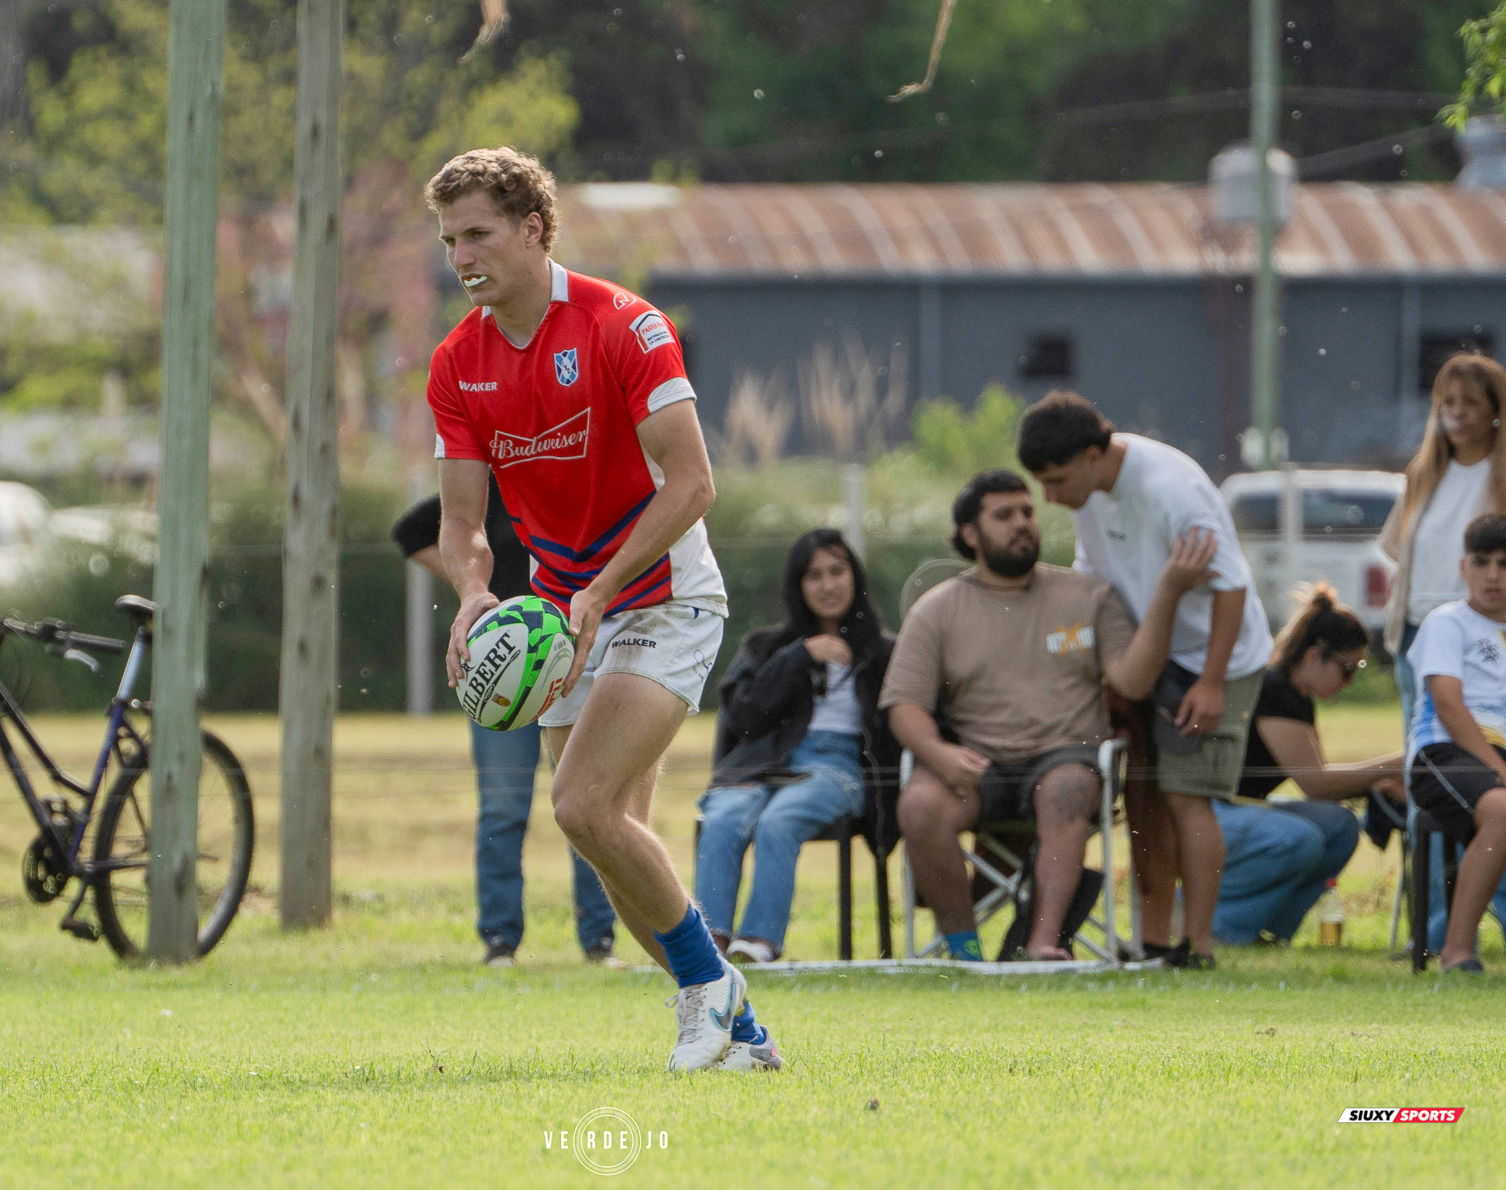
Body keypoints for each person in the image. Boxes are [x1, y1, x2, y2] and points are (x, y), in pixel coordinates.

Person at [424, 147, 772, 1072]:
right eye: (450, 238)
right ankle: (743, 1037)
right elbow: (463, 521)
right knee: (615, 848)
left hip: (660, 593)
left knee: (580, 806)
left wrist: (599, 591)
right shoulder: (458, 362)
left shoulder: (625, 325)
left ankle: (708, 994)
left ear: (533, 229)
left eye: (479, 234)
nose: (461, 255)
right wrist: (470, 593)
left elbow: (694, 486)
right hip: (562, 610)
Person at [881, 470, 1212, 961]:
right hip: (978, 765)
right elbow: (903, 705)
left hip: (1066, 757)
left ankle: (1044, 943)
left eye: (1028, 512)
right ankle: (965, 951)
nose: (1022, 523)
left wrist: (1168, 592)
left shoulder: (1087, 596)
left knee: (1066, 787)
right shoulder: (937, 609)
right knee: (919, 806)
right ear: (970, 534)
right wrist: (938, 754)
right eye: (1004, 515)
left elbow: (1133, 682)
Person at [1018, 393, 1273, 969]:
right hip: (1148, 656)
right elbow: (1093, 577)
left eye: (1056, 481)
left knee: (1189, 799)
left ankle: (1199, 948)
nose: (1049, 498)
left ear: (1092, 454)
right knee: (1147, 801)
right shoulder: (1091, 493)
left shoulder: (1170, 489)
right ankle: (1154, 945)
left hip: (1216, 660)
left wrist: (1209, 683)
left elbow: (1232, 586)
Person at [391, 479, 619, 968]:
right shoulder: (489, 487)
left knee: (585, 805)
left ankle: (600, 941)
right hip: (503, 675)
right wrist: (476, 595)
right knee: (502, 809)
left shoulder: (578, 477)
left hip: (569, 663)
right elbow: (409, 533)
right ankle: (500, 942)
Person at [695, 528, 898, 964]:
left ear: (854, 576)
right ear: (797, 585)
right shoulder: (766, 646)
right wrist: (800, 655)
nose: (827, 585)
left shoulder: (883, 652)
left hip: (840, 765)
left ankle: (759, 943)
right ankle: (709, 945)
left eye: (837, 571)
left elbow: (897, 727)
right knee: (724, 816)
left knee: (780, 820)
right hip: (763, 763)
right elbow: (743, 716)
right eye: (814, 575)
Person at [1378, 352, 1506, 946]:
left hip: (1489, 640)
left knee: (1490, 788)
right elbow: (1396, 549)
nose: (1456, 416)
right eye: (1446, 404)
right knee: (1433, 782)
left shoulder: (1502, 477)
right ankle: (1431, 930)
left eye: (1470, 404)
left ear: (1495, 412)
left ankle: (1486, 917)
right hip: (1423, 636)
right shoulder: (1421, 473)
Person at [1215, 586, 1404, 944]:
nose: (1349, 682)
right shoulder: (1275, 690)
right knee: (1298, 838)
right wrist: (1399, 764)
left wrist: (1377, 782)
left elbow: (1324, 782)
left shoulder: (1297, 696)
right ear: (1316, 656)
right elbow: (1316, 784)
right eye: (1347, 669)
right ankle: (1219, 927)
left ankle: (1269, 930)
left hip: (1235, 809)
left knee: (1340, 826)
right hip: (1211, 810)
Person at [1404, 513, 1506, 972]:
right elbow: (1448, 704)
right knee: (1502, 809)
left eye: (1505, 564)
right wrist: (1498, 769)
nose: (1493, 575)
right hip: (1444, 752)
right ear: (1462, 567)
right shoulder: (1448, 622)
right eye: (1482, 562)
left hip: (1497, 759)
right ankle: (1457, 952)